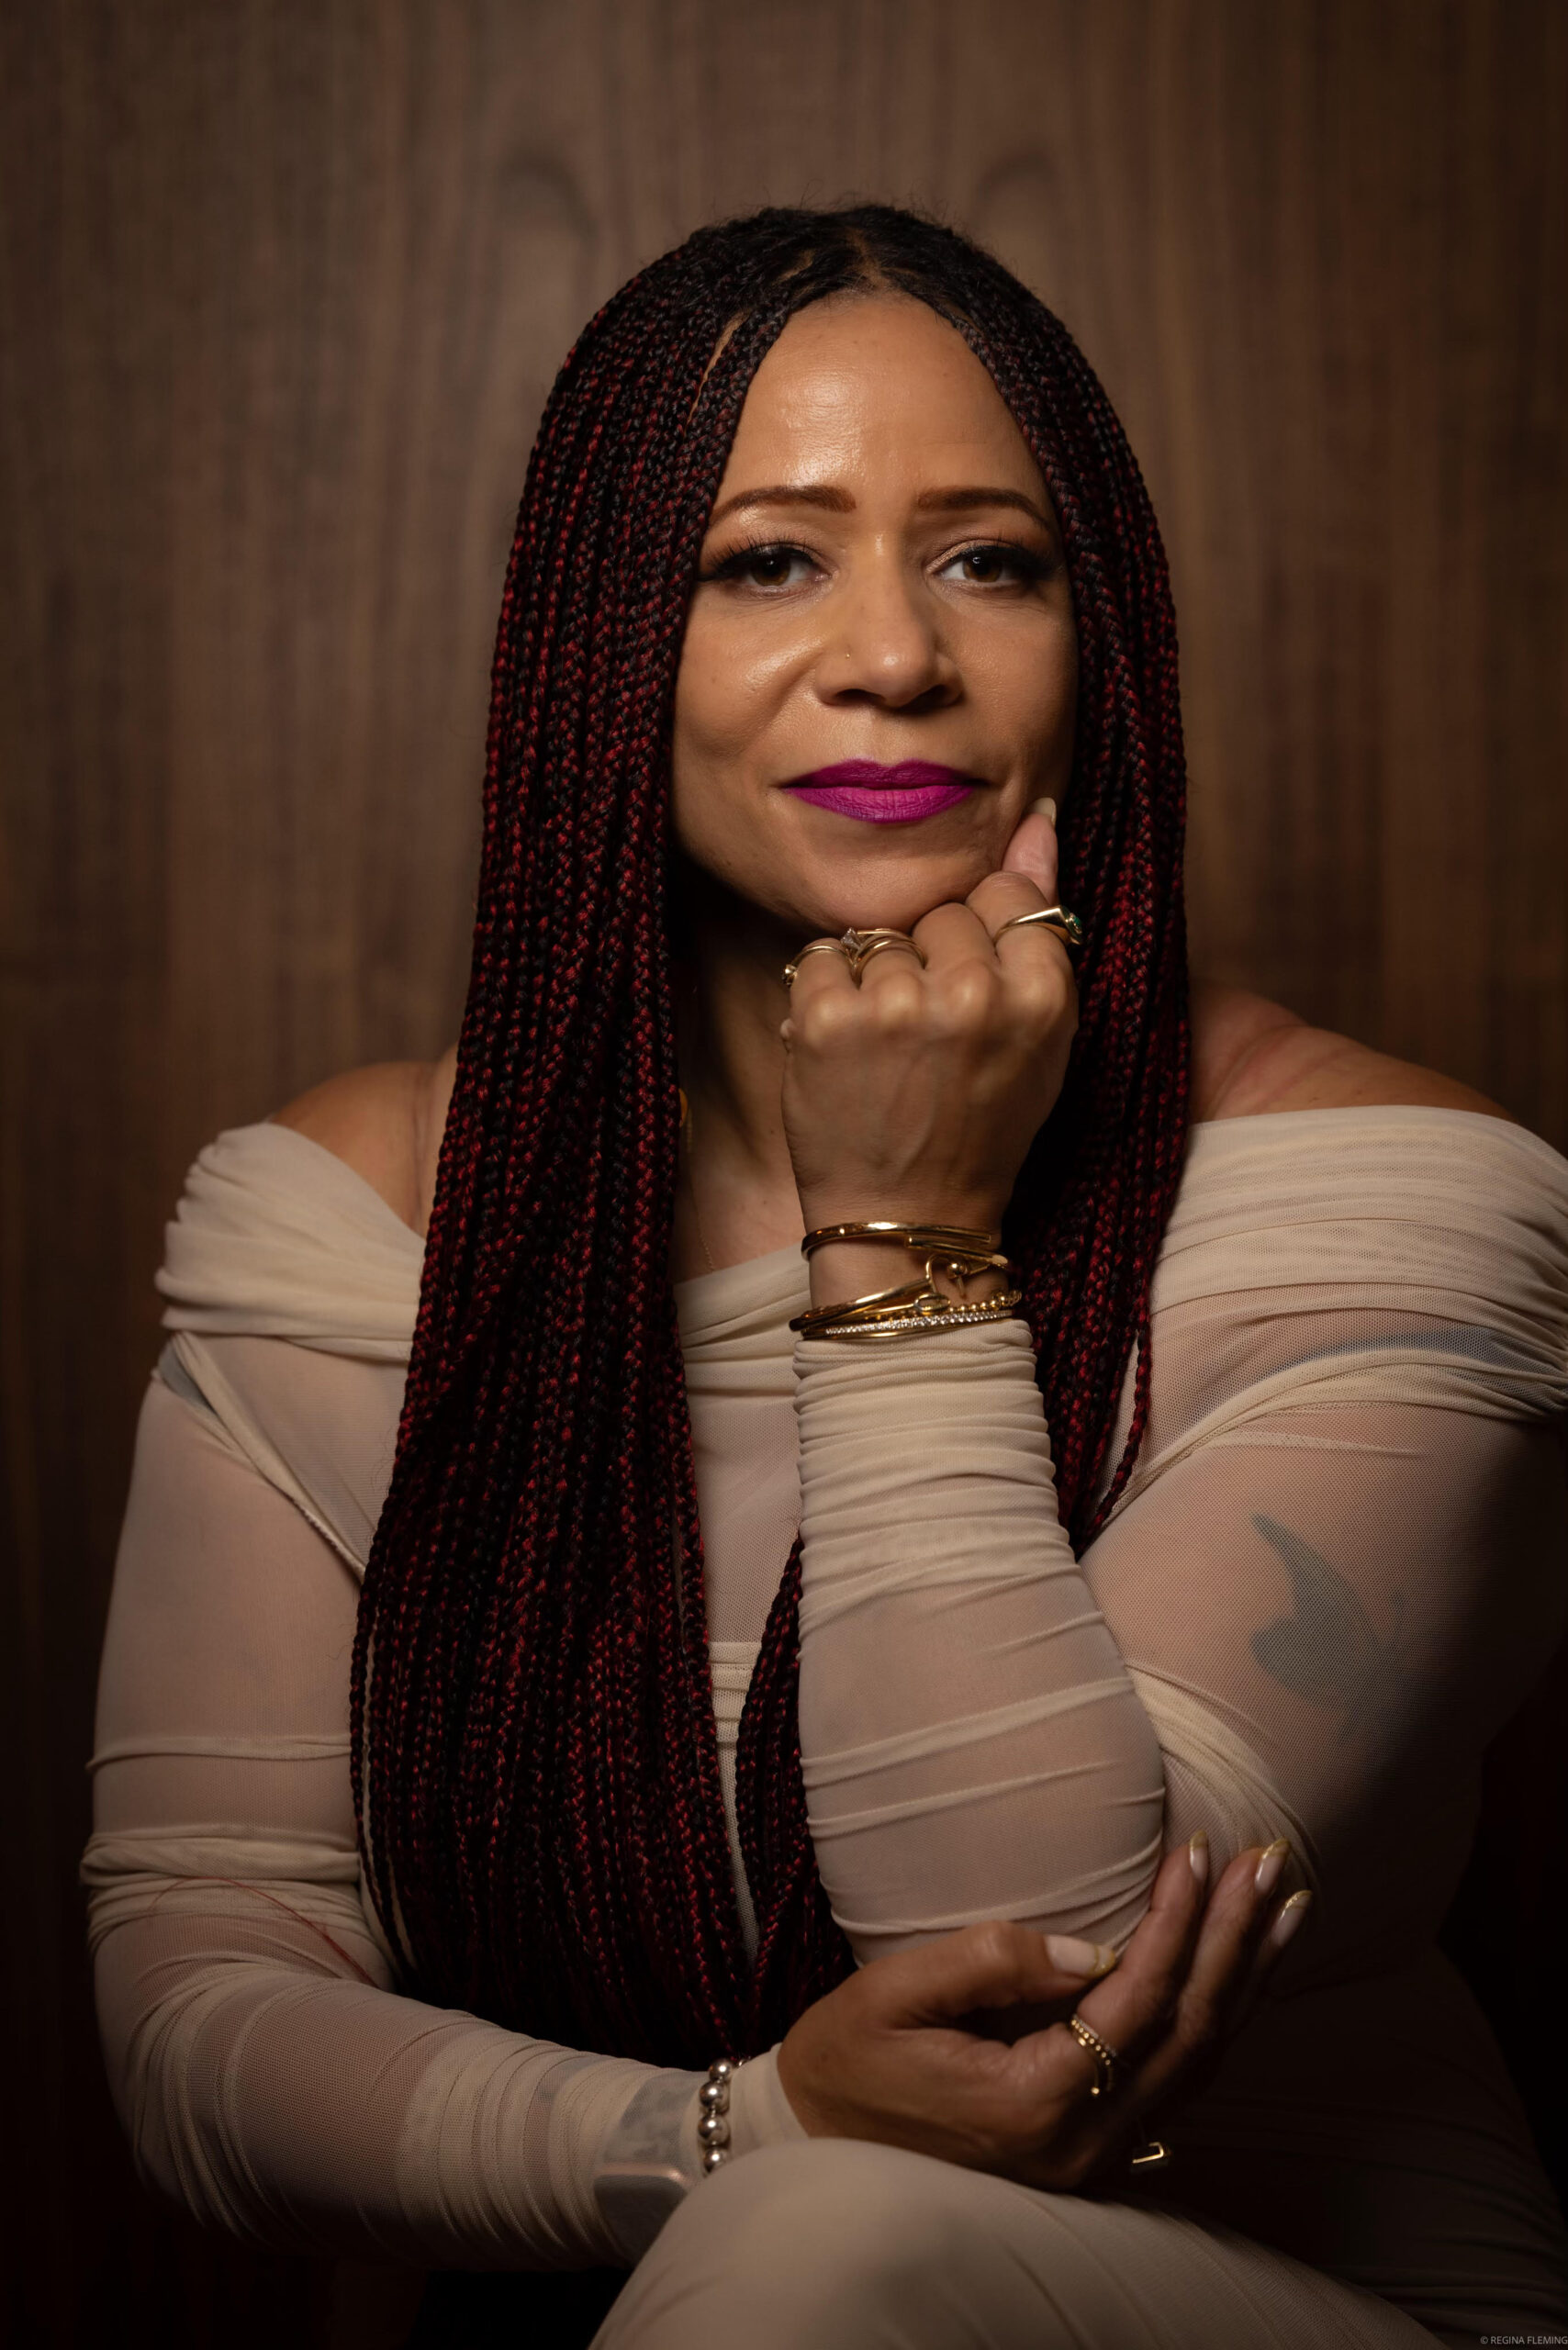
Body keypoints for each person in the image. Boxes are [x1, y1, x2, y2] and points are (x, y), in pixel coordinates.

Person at [85, 207, 1568, 2347]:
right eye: (767, 558)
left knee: (829, 2249)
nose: (893, 653)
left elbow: (1035, 1987)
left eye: (990, 560)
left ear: (1096, 635)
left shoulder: (1388, 1201)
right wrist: (737, 2128)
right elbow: (197, 2010)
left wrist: (900, 1238)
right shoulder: (351, 1230)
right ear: (601, 639)